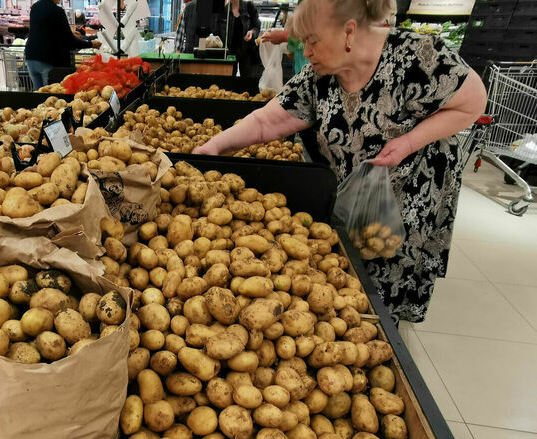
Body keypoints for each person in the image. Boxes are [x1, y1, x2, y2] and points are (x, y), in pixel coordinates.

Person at [193, 0, 487, 324]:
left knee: (384, 289)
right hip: (354, 193)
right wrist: (214, 147)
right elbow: (269, 121)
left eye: (313, 40)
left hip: (410, 194)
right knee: (350, 274)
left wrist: (408, 142)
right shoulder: (319, 75)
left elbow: (473, 101)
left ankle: (387, 327)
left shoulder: (416, 55)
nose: (306, 51)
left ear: (349, 31)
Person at [25, 0, 101, 90]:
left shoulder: (35, 7)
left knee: (39, 95)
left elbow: (47, 31)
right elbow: (69, 41)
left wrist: (69, 33)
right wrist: (91, 44)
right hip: (48, 59)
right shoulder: (57, 11)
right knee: (51, 97)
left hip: (31, 57)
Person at [216, 0, 262, 78]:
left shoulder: (249, 7)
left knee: (247, 82)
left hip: (248, 52)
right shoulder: (223, 10)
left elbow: (257, 26)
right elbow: (217, 31)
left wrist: (252, 32)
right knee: (228, 81)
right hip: (229, 53)